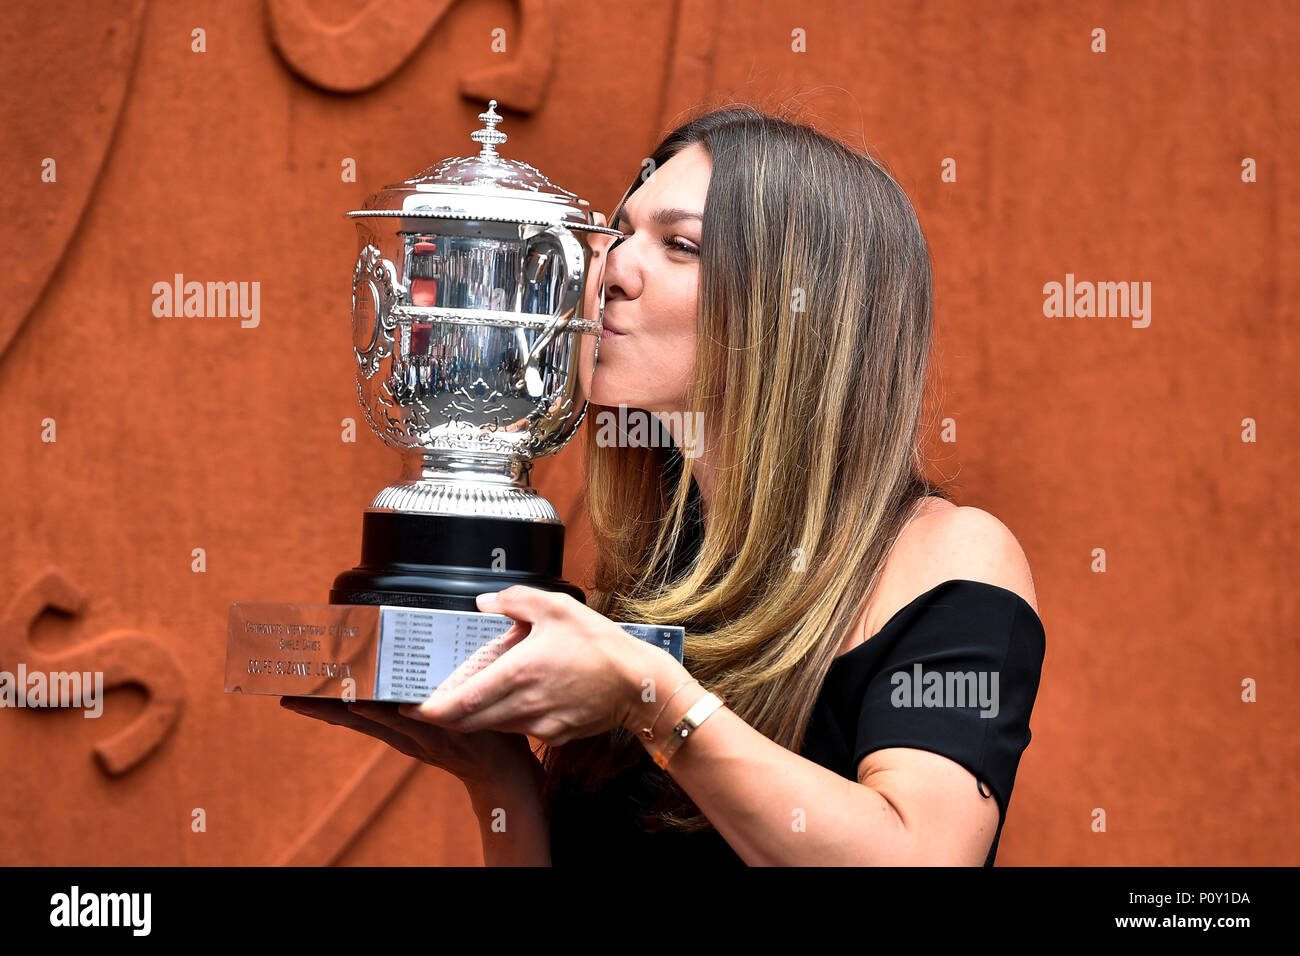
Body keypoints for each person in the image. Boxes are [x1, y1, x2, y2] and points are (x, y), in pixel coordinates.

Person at [282, 102, 1046, 866]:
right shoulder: (657, 584)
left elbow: (921, 857)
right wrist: (501, 778)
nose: (606, 268)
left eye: (680, 244)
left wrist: (653, 698)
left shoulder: (951, 556)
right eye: (619, 234)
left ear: (799, 305)